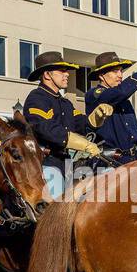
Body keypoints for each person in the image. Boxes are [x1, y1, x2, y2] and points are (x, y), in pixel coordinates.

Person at [23, 51, 102, 199]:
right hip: (45, 164)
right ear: (47, 75)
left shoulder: (65, 103)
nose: (67, 74)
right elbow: (47, 129)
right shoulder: (36, 98)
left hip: (67, 165)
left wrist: (96, 118)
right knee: (57, 209)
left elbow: (81, 125)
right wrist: (84, 144)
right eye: (62, 71)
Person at [84, 48, 137, 161]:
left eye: (121, 71)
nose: (120, 75)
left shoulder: (124, 101)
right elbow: (118, 93)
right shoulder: (94, 95)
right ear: (101, 76)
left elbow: (135, 131)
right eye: (115, 71)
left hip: (132, 159)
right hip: (108, 162)